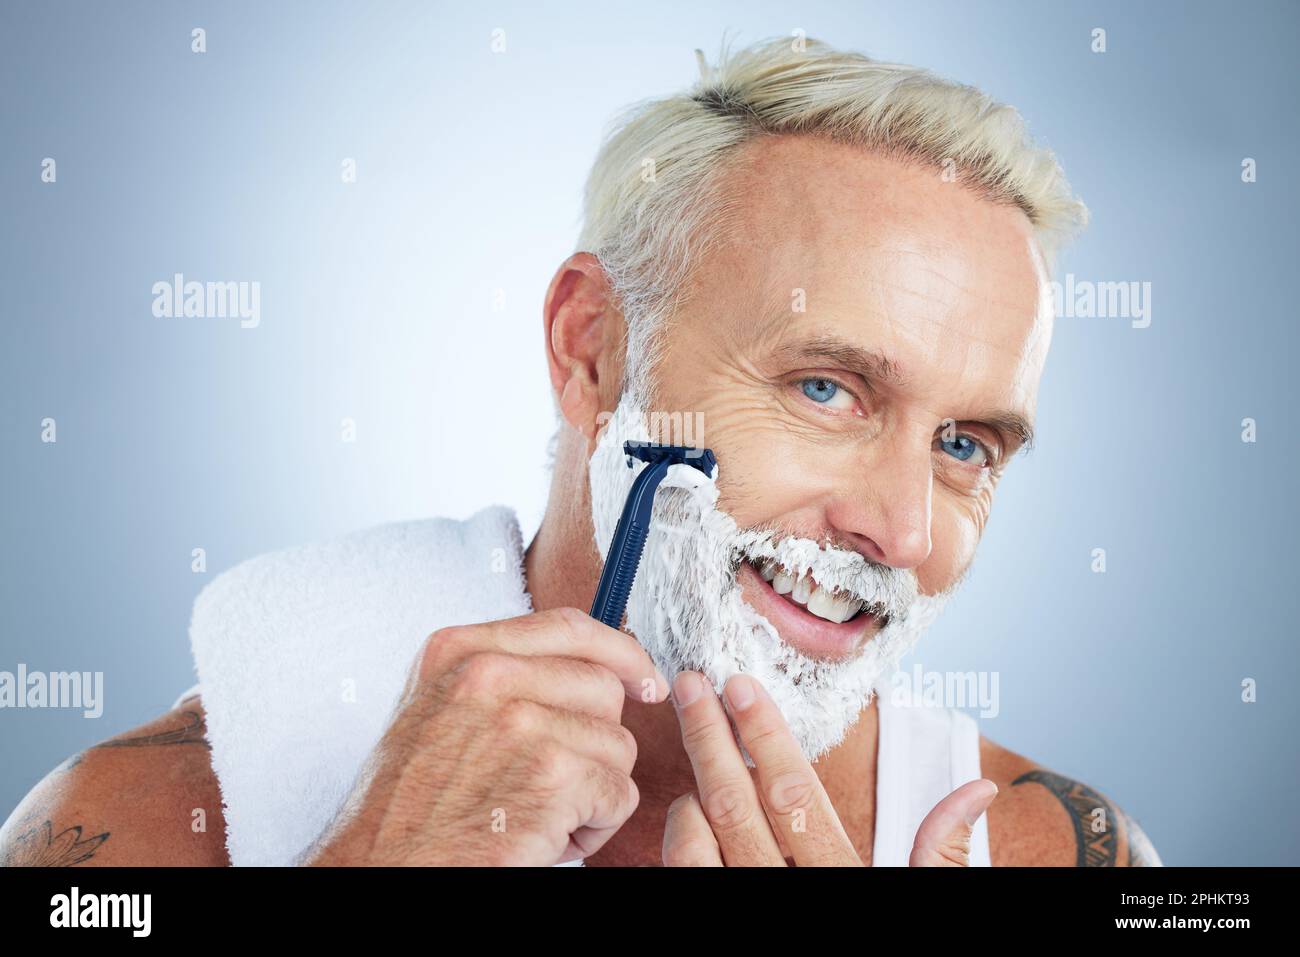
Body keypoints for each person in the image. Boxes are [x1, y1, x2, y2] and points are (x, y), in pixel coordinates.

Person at [0, 36, 1160, 868]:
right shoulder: (140, 828)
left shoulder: (1051, 849)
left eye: (965, 443)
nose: (902, 531)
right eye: (826, 388)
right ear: (592, 351)